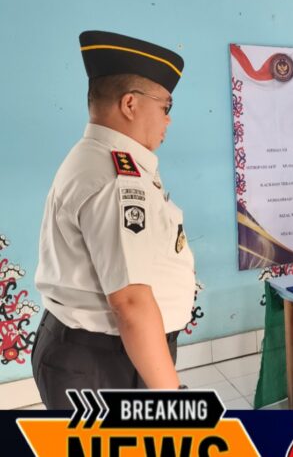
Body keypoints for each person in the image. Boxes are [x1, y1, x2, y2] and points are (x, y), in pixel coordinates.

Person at [33, 31, 195, 409]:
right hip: (103, 363)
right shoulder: (118, 178)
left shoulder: (97, 157)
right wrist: (174, 399)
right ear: (130, 104)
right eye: (165, 106)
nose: (168, 120)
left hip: (101, 352)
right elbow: (131, 303)